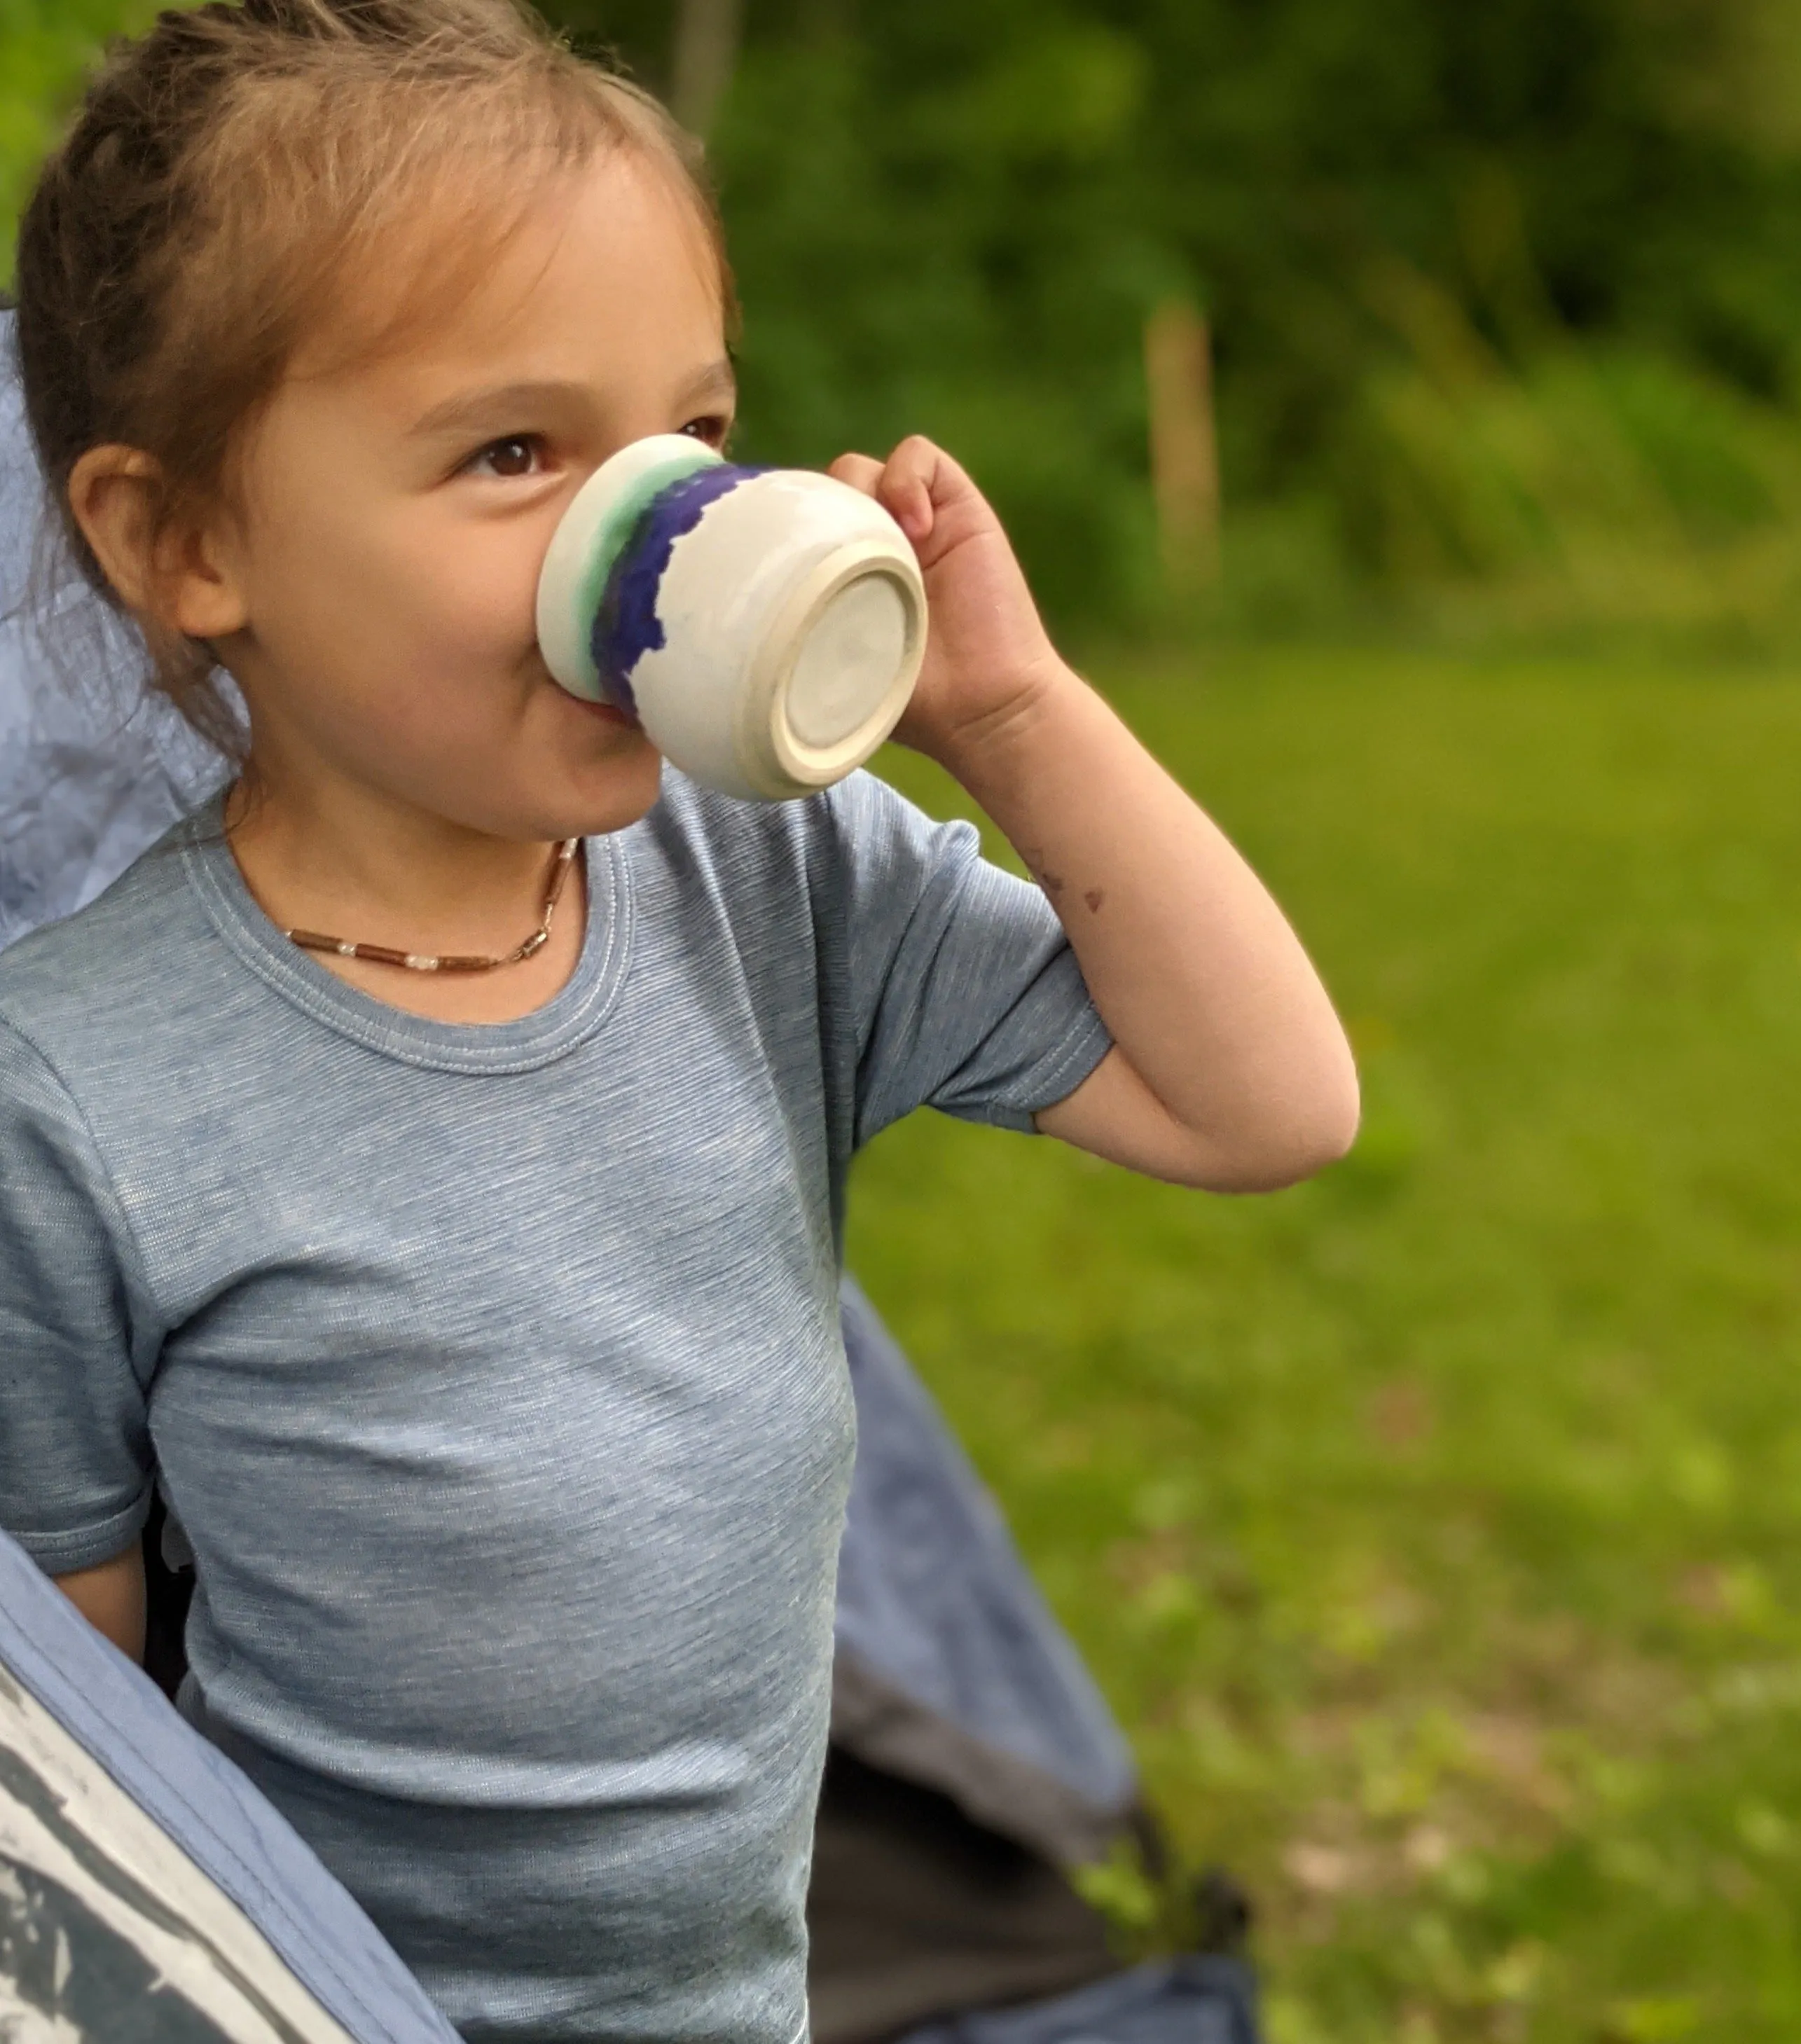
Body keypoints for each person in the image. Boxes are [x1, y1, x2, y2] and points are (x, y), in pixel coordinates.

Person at [0, 3, 1358, 2040]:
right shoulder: (75, 1088)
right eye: (516, 454)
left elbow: (1265, 1101)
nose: (657, 542)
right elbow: (95, 1771)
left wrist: (1007, 716)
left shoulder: (772, 886)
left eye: (690, 441)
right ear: (184, 542)